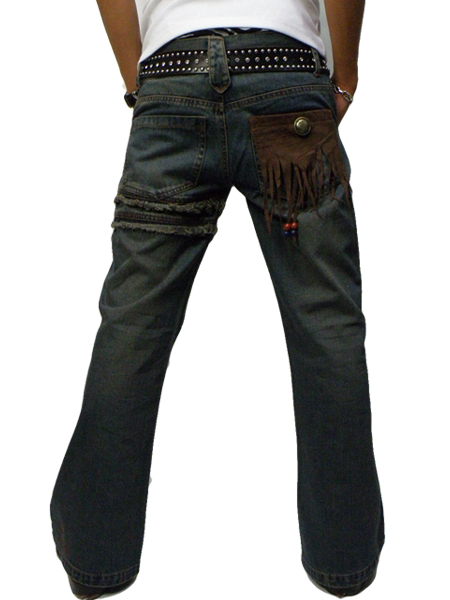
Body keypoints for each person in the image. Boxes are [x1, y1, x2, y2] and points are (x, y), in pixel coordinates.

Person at [50, 1, 385, 598]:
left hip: (171, 75)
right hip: (286, 81)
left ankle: (97, 557)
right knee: (325, 324)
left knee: (133, 326)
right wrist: (346, 77)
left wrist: (142, 83)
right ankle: (344, 558)